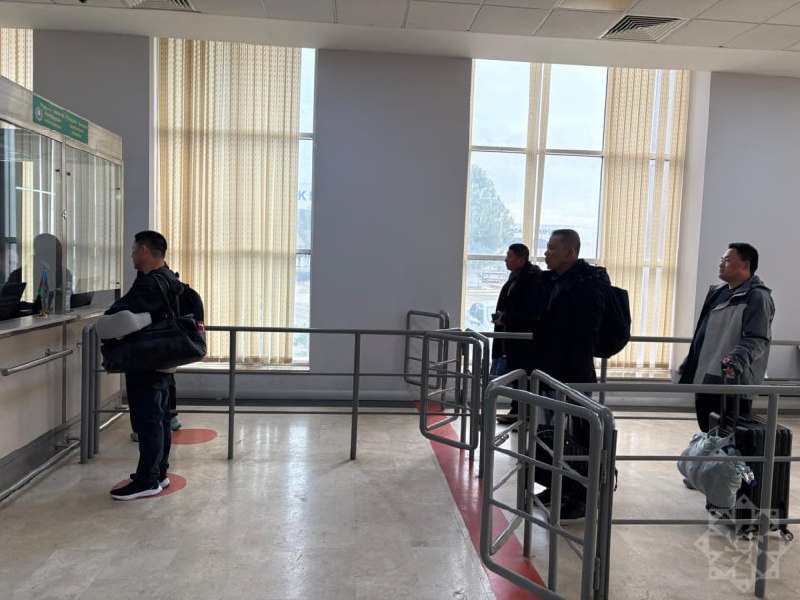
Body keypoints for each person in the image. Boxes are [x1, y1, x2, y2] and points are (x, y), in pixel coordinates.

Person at [102, 230, 183, 500]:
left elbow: (119, 311)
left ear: (145, 250)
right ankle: (159, 473)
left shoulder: (149, 285)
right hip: (162, 359)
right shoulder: (168, 277)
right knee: (160, 418)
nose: (132, 254)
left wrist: (107, 318)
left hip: (146, 361)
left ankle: (148, 480)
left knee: (148, 421)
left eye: (134, 249)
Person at [533, 229, 608, 518]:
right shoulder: (553, 281)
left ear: (570, 252)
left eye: (552, 248)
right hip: (550, 372)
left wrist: (574, 384)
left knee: (579, 438)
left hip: (573, 376)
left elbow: (585, 336)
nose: (546, 252)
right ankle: (557, 486)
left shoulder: (588, 285)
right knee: (552, 435)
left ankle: (582, 497)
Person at [679, 243, 774, 432]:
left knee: (728, 438)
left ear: (745, 265)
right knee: (708, 433)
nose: (721, 264)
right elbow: (706, 334)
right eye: (722, 260)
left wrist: (735, 360)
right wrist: (690, 361)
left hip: (731, 382)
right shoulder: (718, 293)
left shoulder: (757, 297)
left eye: (728, 260)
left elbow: (757, 339)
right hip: (707, 377)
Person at [491, 243, 542, 425]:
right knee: (517, 375)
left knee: (523, 376)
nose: (506, 259)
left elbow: (529, 312)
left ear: (521, 259)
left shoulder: (531, 280)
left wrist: (505, 318)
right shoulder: (516, 277)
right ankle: (518, 411)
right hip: (512, 337)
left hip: (524, 341)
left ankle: (522, 414)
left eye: (510, 256)